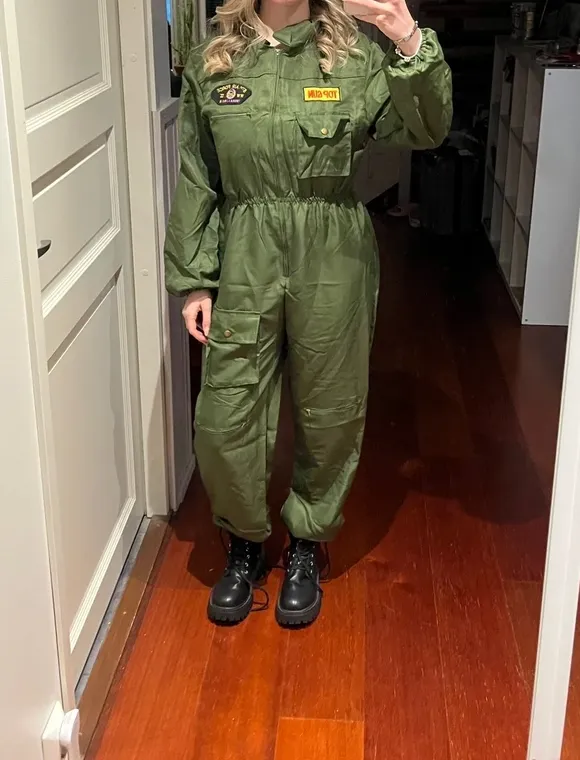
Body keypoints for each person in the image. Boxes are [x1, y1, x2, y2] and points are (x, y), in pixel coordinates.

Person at [164, 0, 452, 626]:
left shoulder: (356, 54)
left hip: (332, 252)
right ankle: (243, 541)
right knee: (226, 413)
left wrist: (405, 36)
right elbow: (197, 176)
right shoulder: (215, 60)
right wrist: (194, 281)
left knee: (331, 406)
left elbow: (426, 129)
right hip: (245, 249)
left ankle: (306, 543)